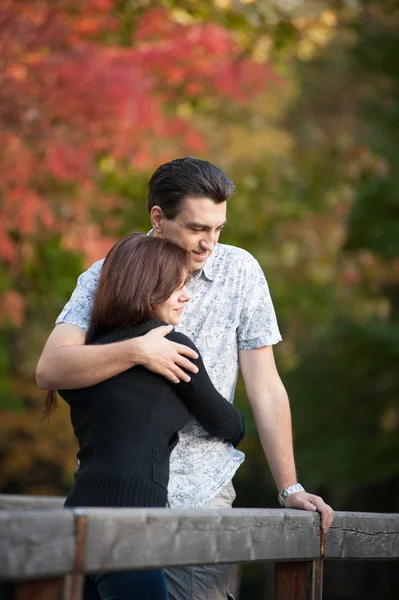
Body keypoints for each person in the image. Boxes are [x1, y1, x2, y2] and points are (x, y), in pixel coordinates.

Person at [36, 157, 334, 600]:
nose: (209, 243)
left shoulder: (240, 273)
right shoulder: (106, 274)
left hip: (200, 495)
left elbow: (266, 385)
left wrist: (289, 488)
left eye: (218, 229)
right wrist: (139, 349)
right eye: (197, 228)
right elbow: (50, 369)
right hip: (112, 498)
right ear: (158, 217)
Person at [43, 233, 245, 600]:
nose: (186, 296)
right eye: (176, 287)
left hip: (76, 522)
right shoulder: (173, 347)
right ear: (147, 288)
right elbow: (226, 424)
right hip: (131, 527)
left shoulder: (90, 355)